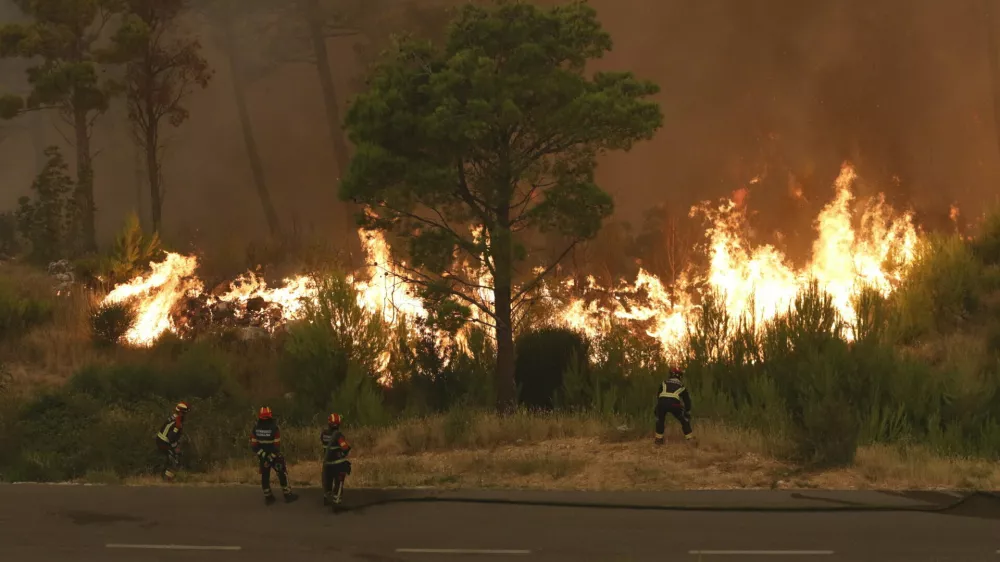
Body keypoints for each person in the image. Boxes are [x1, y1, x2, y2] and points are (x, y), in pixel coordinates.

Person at [250, 406, 298, 505]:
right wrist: (270, 457)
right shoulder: (274, 428)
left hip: (263, 458)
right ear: (270, 416)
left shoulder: (255, 429)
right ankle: (287, 495)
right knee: (282, 474)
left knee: (265, 476)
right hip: (275, 457)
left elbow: (254, 446)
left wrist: (264, 456)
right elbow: (276, 446)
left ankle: (268, 497)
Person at [654, 367, 693, 445]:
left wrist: (658, 407)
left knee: (660, 420)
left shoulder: (664, 382)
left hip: (662, 403)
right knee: (684, 420)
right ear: (679, 376)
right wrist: (687, 411)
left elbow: (658, 395)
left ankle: (658, 440)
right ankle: (690, 440)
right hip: (674, 404)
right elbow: (687, 400)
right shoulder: (682, 386)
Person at [321, 413, 352, 506]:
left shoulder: (323, 434)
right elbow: (345, 448)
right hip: (337, 464)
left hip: (327, 464)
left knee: (327, 482)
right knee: (339, 482)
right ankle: (336, 501)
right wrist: (342, 454)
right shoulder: (338, 436)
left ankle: (327, 498)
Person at [155, 402, 189, 481]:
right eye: (184, 413)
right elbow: (171, 436)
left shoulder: (174, 417)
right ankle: (167, 479)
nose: (185, 415)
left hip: (162, 440)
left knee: (169, 459)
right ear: (181, 412)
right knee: (174, 460)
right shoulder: (177, 422)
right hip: (163, 442)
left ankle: (165, 476)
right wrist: (175, 446)